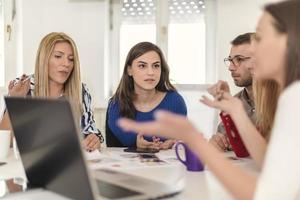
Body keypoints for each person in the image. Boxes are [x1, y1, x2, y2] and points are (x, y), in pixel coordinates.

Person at [118, 0, 300, 199]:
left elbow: (267, 195)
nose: (253, 53)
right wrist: (236, 111)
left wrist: (193, 138)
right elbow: (268, 162)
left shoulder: (294, 99)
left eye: (261, 38)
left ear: (288, 42)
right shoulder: (290, 96)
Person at [0, 32, 104, 151]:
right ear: (44, 59)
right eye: (58, 56)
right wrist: (15, 101)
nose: (66, 64)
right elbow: (3, 140)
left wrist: (94, 140)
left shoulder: (81, 91)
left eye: (71, 59)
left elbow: (90, 131)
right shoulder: (22, 86)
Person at [107, 42, 187, 149]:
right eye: (142, 66)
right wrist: (136, 144)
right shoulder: (116, 105)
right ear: (129, 70)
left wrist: (173, 144)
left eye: (156, 66)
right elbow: (116, 147)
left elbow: (182, 141)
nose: (151, 72)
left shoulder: (176, 102)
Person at [209, 33, 256, 152]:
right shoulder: (236, 100)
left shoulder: (283, 101)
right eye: (230, 60)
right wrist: (217, 142)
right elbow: (223, 138)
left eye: (239, 59)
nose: (230, 67)